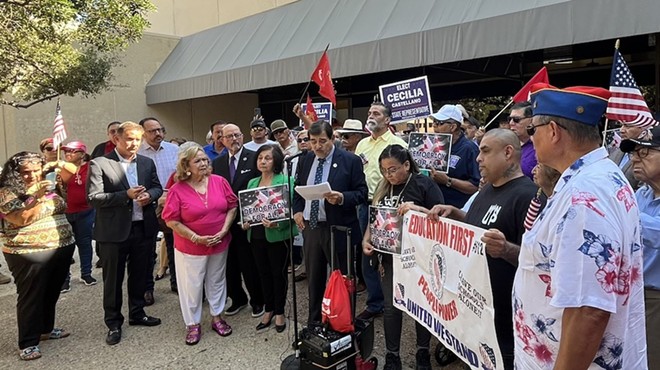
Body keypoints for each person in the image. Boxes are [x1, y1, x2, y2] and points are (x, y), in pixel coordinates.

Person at [512, 84, 647, 369]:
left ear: (553, 131)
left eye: (532, 129)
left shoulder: (583, 199)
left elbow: (589, 310)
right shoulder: (595, 176)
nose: (529, 138)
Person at [429, 129, 538, 369]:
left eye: (485, 151)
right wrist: (457, 214)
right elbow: (482, 227)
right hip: (477, 308)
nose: (478, 158)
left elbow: (540, 261)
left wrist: (506, 249)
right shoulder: (487, 189)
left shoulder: (528, 196)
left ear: (508, 153)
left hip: (505, 316)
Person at [362, 144, 444, 370]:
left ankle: (422, 352)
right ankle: (392, 355)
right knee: (391, 307)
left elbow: (441, 219)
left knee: (420, 306)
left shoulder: (423, 184)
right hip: (390, 258)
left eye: (393, 169)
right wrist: (366, 239)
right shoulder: (383, 186)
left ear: (407, 165)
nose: (389, 175)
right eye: (384, 170)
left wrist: (416, 209)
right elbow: (374, 217)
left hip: (419, 258)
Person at [87, 121, 163, 346]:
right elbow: (94, 198)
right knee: (113, 279)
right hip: (113, 232)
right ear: (116, 139)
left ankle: (137, 313)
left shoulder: (147, 163)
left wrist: (150, 195)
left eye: (137, 139)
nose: (133, 144)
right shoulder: (100, 164)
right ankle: (113, 322)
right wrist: (125, 195)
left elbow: (157, 187)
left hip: (142, 228)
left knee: (140, 274)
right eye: (129, 139)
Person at [0, 152, 77, 360]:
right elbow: (20, 218)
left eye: (36, 170)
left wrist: (58, 163)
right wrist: (36, 196)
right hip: (28, 252)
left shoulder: (50, 183)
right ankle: (28, 342)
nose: (31, 175)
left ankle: (45, 329)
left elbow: (73, 171)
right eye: (25, 172)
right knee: (32, 295)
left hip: (61, 246)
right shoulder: (7, 191)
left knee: (51, 291)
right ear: (14, 173)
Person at [293, 120, 368, 324]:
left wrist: (342, 197)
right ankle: (315, 322)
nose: (318, 146)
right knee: (314, 280)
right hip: (312, 227)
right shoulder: (306, 159)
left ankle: (342, 323)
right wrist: (297, 211)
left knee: (342, 279)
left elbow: (362, 193)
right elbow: (298, 190)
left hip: (338, 228)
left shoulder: (350, 160)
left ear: (333, 138)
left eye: (322, 141)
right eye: (313, 141)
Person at [162, 144, 237, 344]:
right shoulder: (177, 189)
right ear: (186, 165)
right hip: (191, 247)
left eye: (205, 160)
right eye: (198, 161)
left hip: (219, 243)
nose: (204, 163)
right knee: (192, 286)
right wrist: (196, 238)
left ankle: (217, 316)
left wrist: (224, 230)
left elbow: (232, 207)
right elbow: (171, 220)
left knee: (217, 280)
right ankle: (193, 324)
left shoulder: (219, 181)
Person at [354, 102, 407, 320]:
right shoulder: (362, 145)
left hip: (389, 207)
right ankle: (375, 303)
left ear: (387, 120)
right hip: (364, 204)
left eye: (376, 113)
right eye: (369, 112)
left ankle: (395, 303)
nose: (370, 115)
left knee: (390, 258)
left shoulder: (398, 144)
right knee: (368, 254)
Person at [241, 145, 297, 333]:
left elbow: (292, 211)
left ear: (276, 161)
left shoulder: (287, 180)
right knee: (263, 273)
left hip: (277, 236)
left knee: (278, 274)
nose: (263, 161)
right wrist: (245, 222)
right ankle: (269, 309)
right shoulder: (252, 183)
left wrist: (277, 224)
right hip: (256, 235)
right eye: (260, 158)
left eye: (268, 158)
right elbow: (247, 209)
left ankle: (280, 311)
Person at [211, 123, 264, 317]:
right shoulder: (217, 163)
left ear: (242, 137)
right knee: (229, 264)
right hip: (224, 222)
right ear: (222, 140)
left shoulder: (254, 159)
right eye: (229, 136)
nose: (234, 139)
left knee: (249, 263)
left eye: (237, 135)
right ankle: (238, 299)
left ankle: (258, 300)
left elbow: (260, 188)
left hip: (248, 221)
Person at [619, 127, 660, 370]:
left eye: (644, 152)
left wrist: (624, 211)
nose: (634, 158)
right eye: (633, 152)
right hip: (633, 294)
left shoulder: (631, 200)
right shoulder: (641, 193)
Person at [138, 117, 179, 305]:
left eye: (160, 130)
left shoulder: (174, 150)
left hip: (173, 205)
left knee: (174, 244)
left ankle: (177, 282)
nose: (158, 134)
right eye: (153, 131)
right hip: (146, 206)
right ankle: (147, 289)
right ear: (143, 133)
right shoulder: (137, 153)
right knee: (147, 249)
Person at [429, 104, 480, 208]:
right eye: (434, 122)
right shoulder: (433, 147)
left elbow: (476, 186)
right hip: (436, 208)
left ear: (453, 127)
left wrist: (448, 181)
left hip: (458, 211)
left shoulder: (469, 149)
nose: (435, 126)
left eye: (439, 123)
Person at [61, 141, 97, 287]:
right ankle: (64, 279)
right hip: (65, 212)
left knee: (85, 243)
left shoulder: (90, 167)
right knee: (65, 247)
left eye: (72, 151)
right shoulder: (61, 168)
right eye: (66, 151)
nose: (68, 153)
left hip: (85, 211)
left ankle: (86, 273)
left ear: (82, 154)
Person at [608, 121, 648, 190]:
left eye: (628, 126)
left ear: (643, 129)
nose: (621, 130)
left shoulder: (648, 157)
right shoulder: (617, 151)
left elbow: (644, 190)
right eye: (621, 125)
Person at [508, 102, 537, 179]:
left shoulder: (541, 146)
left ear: (531, 120)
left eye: (516, 119)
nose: (511, 123)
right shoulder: (506, 145)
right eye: (509, 119)